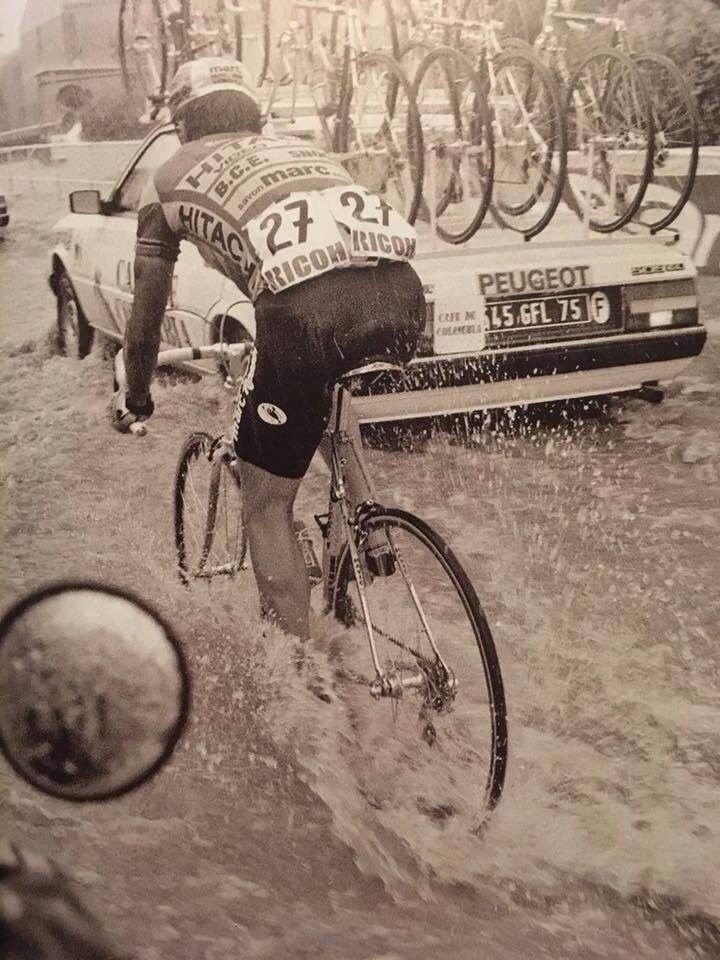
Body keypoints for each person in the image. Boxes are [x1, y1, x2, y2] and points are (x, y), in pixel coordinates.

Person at [111, 57, 426, 644]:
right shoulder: (298, 149)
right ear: (253, 116)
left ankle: (303, 680)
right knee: (321, 387)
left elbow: (145, 316)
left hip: (302, 316)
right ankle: (367, 520)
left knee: (264, 502)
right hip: (405, 299)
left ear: (182, 124)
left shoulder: (168, 178)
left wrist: (136, 395)